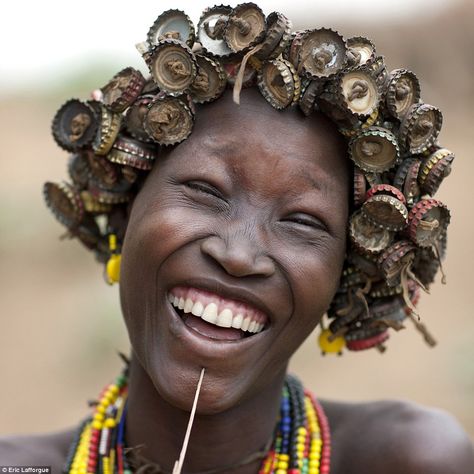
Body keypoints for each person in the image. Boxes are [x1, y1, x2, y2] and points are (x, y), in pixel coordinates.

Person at [1, 4, 473, 473]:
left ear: (347, 275)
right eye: (205, 191)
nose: (239, 255)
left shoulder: (410, 462)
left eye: (303, 222)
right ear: (125, 211)